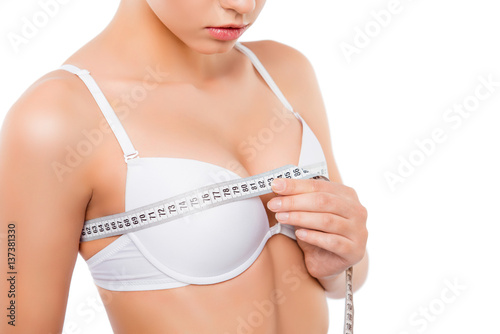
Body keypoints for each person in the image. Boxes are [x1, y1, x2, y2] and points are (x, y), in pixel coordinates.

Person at [0, 0, 369, 333]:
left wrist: (340, 263)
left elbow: (348, 274)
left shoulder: (285, 73)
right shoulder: (55, 118)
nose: (243, 5)